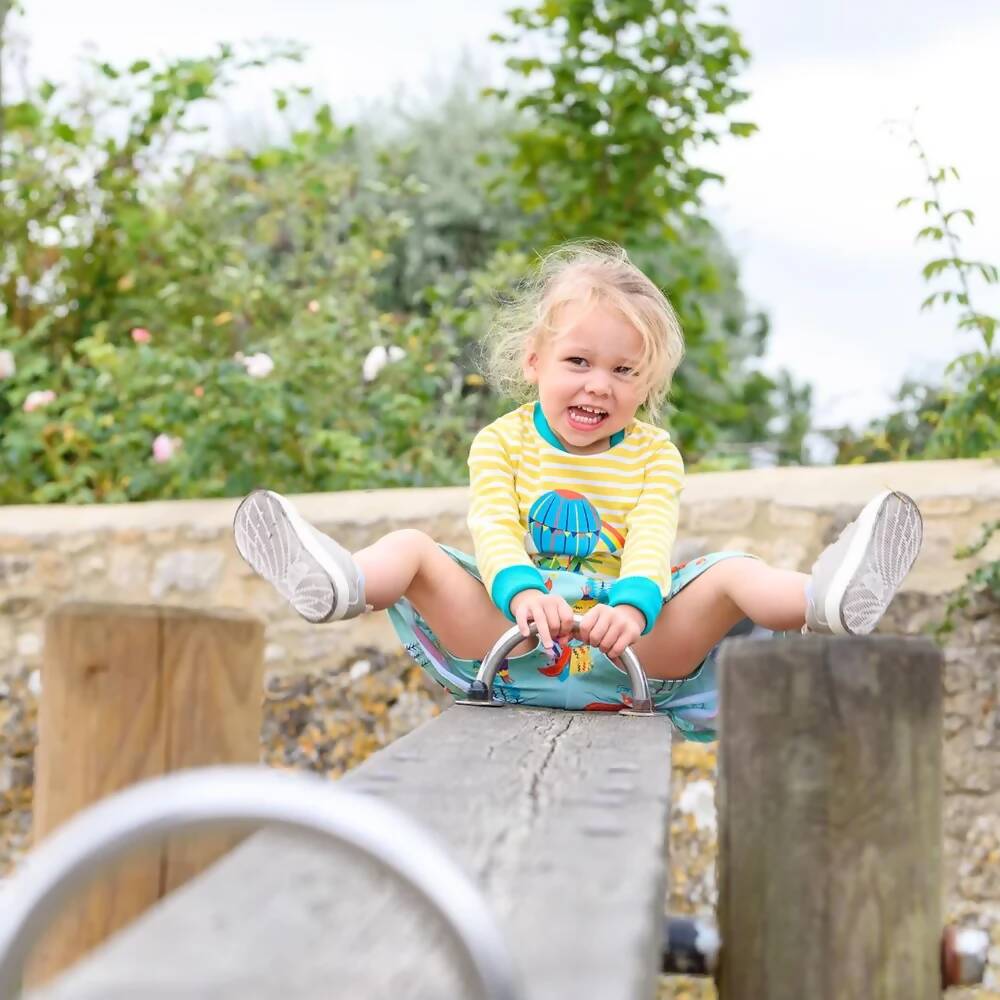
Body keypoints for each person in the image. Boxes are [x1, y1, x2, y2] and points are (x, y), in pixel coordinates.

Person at [233, 241, 923, 742]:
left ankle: (824, 600)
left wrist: (633, 605)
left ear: (647, 387)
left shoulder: (655, 455)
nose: (600, 384)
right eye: (579, 362)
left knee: (731, 571)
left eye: (625, 371)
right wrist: (523, 592)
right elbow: (496, 528)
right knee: (413, 550)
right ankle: (342, 583)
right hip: (514, 636)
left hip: (629, 648)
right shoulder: (502, 442)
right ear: (534, 361)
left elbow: (652, 537)